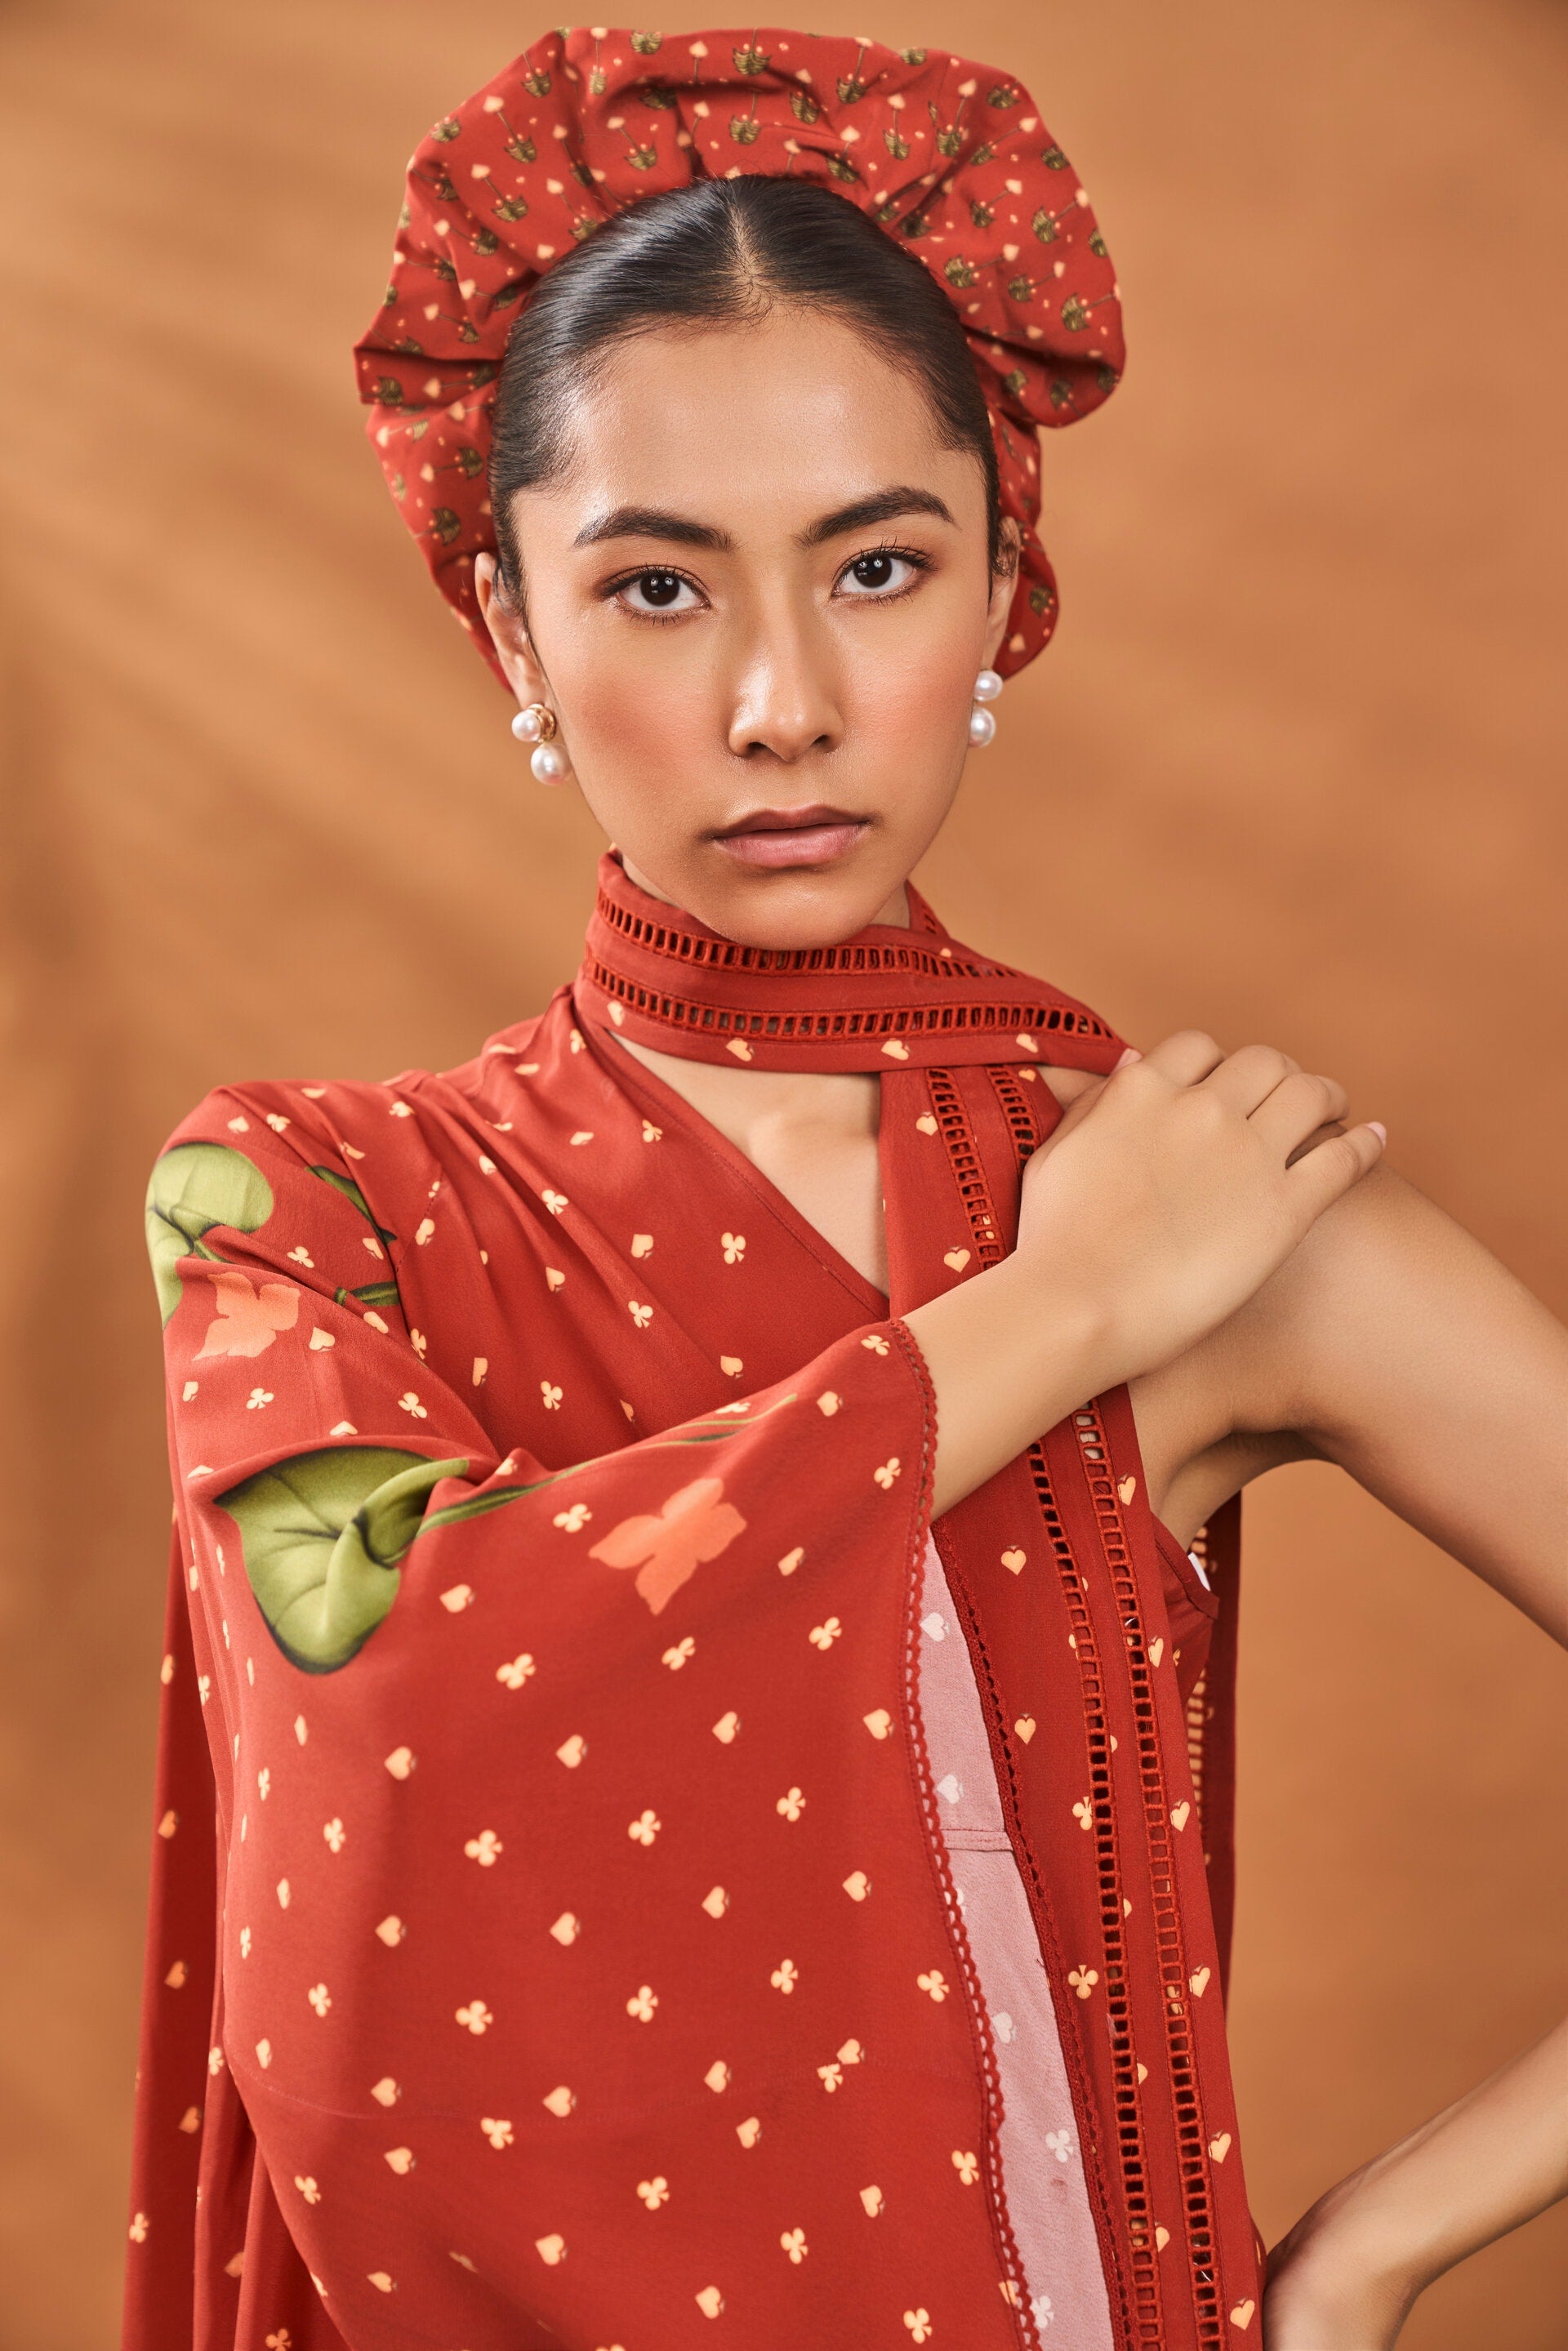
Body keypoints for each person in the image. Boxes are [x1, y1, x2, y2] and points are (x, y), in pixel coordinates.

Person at [123, 28, 1567, 2351]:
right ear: (508, 626)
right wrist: (1063, 1317)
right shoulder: (308, 1213)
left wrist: (1377, 2249)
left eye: (877, 566)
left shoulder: (1206, 1201)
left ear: (1005, 590)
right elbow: (391, 1693)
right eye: (658, 589)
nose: (782, 701)